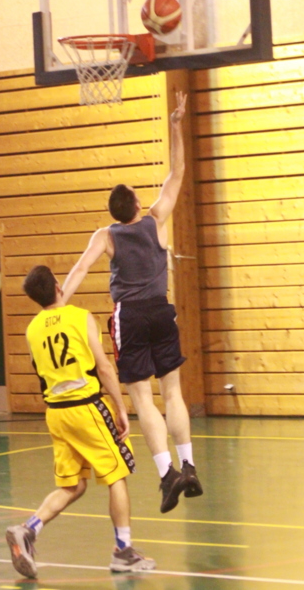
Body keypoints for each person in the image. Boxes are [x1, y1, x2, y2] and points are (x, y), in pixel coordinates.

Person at [60, 90, 203, 515]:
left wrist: (58, 302)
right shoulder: (156, 220)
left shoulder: (105, 235)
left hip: (131, 316)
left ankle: (167, 474)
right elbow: (177, 171)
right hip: (161, 309)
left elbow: (80, 269)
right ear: (138, 205)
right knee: (173, 391)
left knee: (142, 398)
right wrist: (175, 126)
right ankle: (189, 465)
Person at [6, 264, 156, 579]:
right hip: (86, 407)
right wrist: (120, 407)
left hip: (56, 413)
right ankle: (123, 551)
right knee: (117, 474)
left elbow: (40, 371)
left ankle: (28, 529)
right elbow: (104, 368)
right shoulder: (80, 317)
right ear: (58, 286)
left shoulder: (32, 329)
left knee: (72, 485)